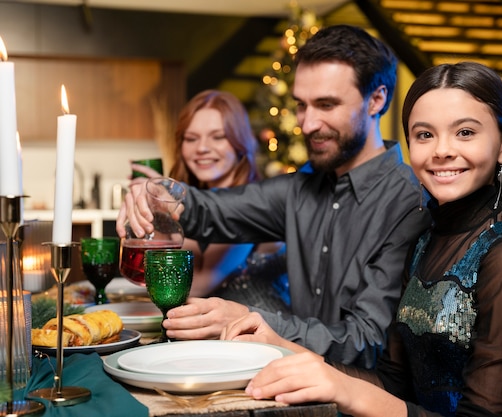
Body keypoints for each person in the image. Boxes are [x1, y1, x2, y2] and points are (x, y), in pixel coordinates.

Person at [220, 61, 502, 417]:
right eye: (424, 135)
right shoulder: (425, 240)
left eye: (464, 132)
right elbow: (392, 384)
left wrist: (343, 389)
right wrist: (281, 346)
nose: (441, 150)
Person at [116, 24, 431, 368]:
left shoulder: (409, 202)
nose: (307, 124)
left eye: (325, 104)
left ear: (377, 100)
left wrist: (250, 318)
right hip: (289, 380)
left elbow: (366, 343)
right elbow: (208, 211)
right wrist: (152, 191)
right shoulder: (300, 189)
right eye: (301, 105)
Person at [130, 89, 287, 308]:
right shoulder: (194, 207)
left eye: (218, 137)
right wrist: (151, 205)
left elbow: (199, 284)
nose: (202, 148)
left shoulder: (251, 203)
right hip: (213, 336)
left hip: (261, 338)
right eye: (191, 138)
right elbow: (158, 267)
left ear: (240, 143)